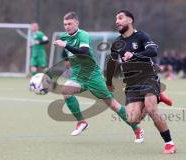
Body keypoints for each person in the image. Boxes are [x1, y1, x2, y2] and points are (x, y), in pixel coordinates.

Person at [53, 11, 144, 143]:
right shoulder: (63, 36)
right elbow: (68, 53)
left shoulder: (83, 35)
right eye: (65, 24)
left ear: (76, 23)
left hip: (92, 75)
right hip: (78, 75)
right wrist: (67, 60)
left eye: (70, 24)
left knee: (113, 105)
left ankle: (137, 129)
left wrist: (66, 45)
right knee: (66, 90)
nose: (67, 26)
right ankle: (81, 122)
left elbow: (83, 52)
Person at [106, 10, 176, 154]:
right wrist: (108, 81)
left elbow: (153, 52)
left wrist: (134, 54)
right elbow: (112, 63)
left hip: (147, 77)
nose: (117, 21)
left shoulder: (141, 36)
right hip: (131, 83)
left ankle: (169, 143)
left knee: (151, 109)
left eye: (120, 18)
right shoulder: (117, 43)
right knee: (132, 120)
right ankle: (157, 96)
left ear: (130, 20)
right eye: (116, 19)